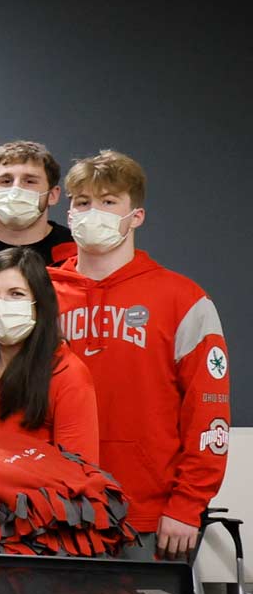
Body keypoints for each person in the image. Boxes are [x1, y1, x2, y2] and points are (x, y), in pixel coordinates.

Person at [49, 150, 228, 559]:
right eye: (82, 203)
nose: (93, 212)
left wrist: (188, 504)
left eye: (109, 202)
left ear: (137, 217)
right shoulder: (39, 294)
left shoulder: (184, 300)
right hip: (54, 512)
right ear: (69, 213)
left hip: (150, 516)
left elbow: (208, 414)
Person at [0, 249, 99, 461]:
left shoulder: (67, 374)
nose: (1, 307)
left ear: (40, 302)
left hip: (35, 493)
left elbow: (80, 472)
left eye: (16, 294)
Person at [0, 139, 76, 281]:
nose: (16, 190)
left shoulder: (78, 256)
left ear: (52, 195)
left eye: (30, 181)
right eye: (6, 181)